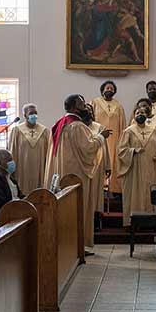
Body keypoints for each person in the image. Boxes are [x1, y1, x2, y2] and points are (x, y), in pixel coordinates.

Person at [47, 94, 111, 250]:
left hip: (64, 172)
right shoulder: (77, 125)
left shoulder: (60, 123)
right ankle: (77, 247)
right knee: (78, 209)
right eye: (82, 104)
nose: (86, 107)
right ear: (75, 107)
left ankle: (68, 246)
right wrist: (101, 137)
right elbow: (88, 148)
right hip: (77, 174)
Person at [117, 106, 156, 226]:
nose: (140, 114)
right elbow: (121, 150)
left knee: (149, 193)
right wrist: (133, 151)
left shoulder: (154, 131)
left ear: (147, 115)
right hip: (134, 169)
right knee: (135, 194)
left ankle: (150, 222)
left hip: (150, 168)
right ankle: (133, 222)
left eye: (143, 112)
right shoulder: (128, 131)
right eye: (138, 112)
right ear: (134, 115)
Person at [92, 81, 126, 194]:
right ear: (102, 90)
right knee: (100, 159)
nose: (109, 90)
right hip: (99, 138)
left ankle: (114, 188)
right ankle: (99, 188)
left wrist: (122, 139)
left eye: (112, 88)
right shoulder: (95, 103)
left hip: (115, 139)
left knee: (113, 161)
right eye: (107, 88)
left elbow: (122, 124)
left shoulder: (118, 106)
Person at [7, 103, 49, 194]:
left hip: (39, 169)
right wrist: (11, 170)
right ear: (25, 115)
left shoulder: (44, 131)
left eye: (35, 112)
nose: (34, 115)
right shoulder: (17, 131)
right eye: (31, 113)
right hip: (22, 169)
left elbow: (48, 153)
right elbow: (12, 150)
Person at [130, 98, 156, 183]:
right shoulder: (135, 121)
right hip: (140, 155)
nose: (143, 108)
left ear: (150, 106)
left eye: (145, 106)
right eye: (140, 107)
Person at [82, 103, 110, 226]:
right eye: (86, 110)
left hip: (98, 166)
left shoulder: (99, 127)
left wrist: (108, 165)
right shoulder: (79, 128)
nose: (88, 113)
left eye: (90, 111)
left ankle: (96, 219)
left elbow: (105, 147)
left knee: (96, 194)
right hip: (83, 165)